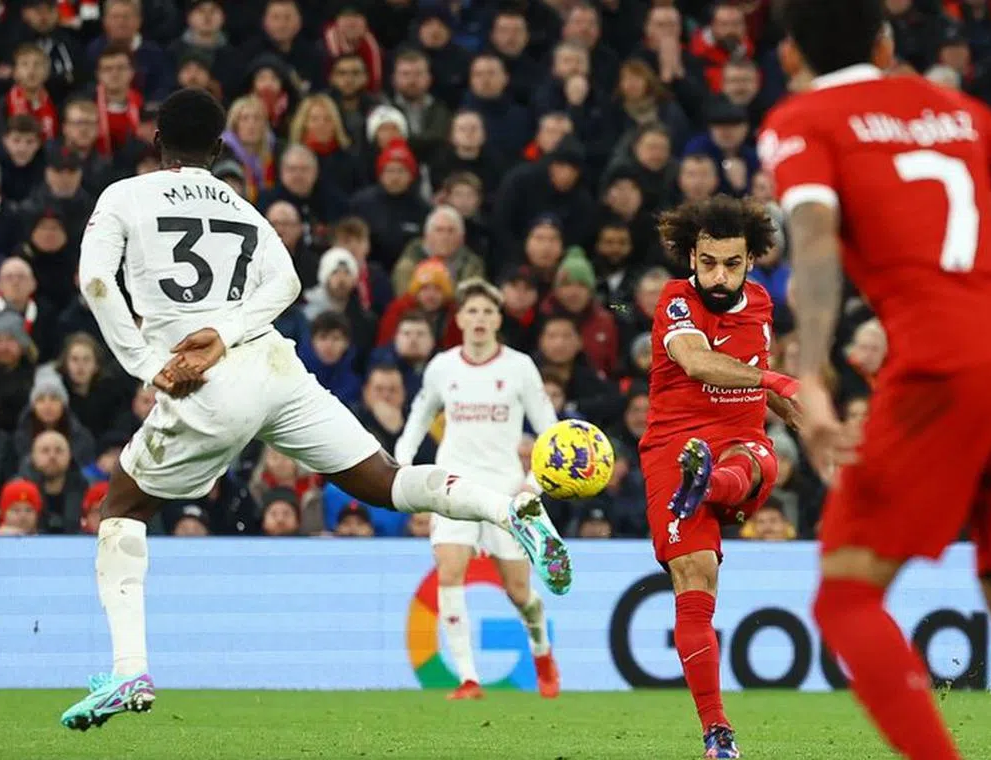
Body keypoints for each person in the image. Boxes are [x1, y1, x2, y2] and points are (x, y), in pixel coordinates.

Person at [61, 88, 572, 731]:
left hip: (206, 387)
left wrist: (146, 362)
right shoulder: (245, 209)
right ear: (221, 149)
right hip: (276, 367)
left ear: (155, 141)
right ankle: (508, 507)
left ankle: (130, 668)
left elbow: (96, 282)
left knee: (121, 511)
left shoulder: (122, 197)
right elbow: (288, 283)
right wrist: (228, 328)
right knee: (385, 481)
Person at [765, 2, 991, 759]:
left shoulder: (801, 121)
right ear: (885, 41)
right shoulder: (954, 110)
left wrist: (811, 372)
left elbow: (813, 236)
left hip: (941, 369)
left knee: (846, 596)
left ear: (791, 56)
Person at [640, 195, 800, 759]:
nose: (718, 275)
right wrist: (779, 385)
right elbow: (697, 362)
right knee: (695, 575)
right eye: (708, 262)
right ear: (692, 257)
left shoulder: (759, 303)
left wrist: (803, 416)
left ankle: (707, 485)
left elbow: (759, 384)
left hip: (736, 442)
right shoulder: (674, 301)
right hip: (673, 446)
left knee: (759, 459)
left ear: (751, 262)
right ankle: (717, 732)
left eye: (731, 264)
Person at [395, 278, 562, 701]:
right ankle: (468, 678)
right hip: (452, 486)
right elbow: (416, 421)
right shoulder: (442, 367)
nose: (480, 319)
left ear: (498, 319)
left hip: (506, 490)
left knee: (519, 592)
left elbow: (551, 434)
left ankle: (542, 652)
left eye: (488, 312)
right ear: (459, 319)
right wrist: (404, 473)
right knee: (449, 574)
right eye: (472, 311)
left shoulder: (520, 367)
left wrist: (534, 483)